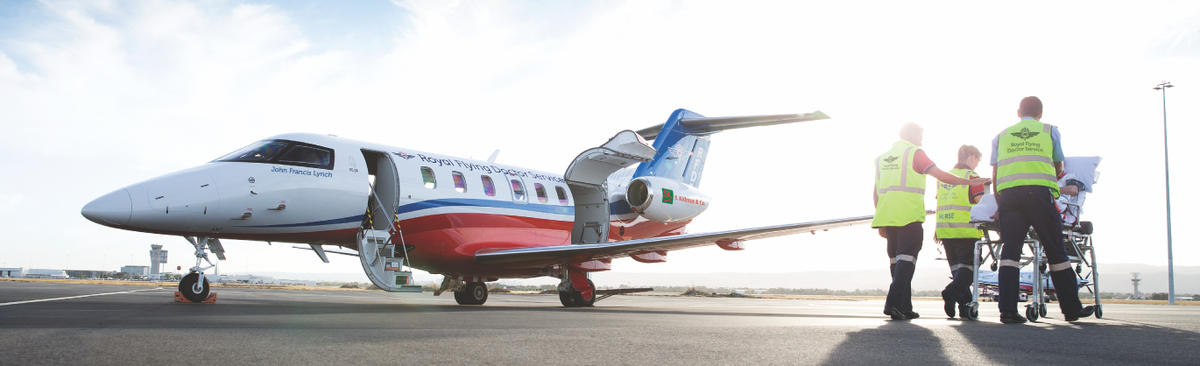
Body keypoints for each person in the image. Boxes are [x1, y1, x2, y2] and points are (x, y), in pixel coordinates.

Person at [990, 96, 1095, 324]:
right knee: (1055, 249)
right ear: (1040, 113)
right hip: (1038, 194)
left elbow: (995, 176)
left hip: (1009, 196)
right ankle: (1071, 308)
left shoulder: (1001, 136)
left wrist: (1000, 205)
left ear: (1018, 112)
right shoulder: (1049, 131)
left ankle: (1007, 310)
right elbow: (1059, 166)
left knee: (1010, 253)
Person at [873, 123, 989, 320]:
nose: (921, 141)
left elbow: (876, 191)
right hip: (908, 214)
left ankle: (904, 306)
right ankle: (893, 303)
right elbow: (942, 175)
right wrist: (971, 183)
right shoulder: (915, 153)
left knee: (897, 262)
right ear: (911, 135)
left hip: (888, 215)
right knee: (907, 261)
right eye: (920, 137)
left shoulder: (881, 158)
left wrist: (880, 218)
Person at [934, 145, 988, 319]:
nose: (978, 164)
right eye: (978, 160)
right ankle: (951, 292)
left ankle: (964, 307)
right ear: (972, 157)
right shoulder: (972, 177)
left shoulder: (943, 177)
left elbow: (940, 202)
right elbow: (981, 203)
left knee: (958, 269)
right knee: (971, 267)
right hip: (966, 229)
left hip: (945, 229)